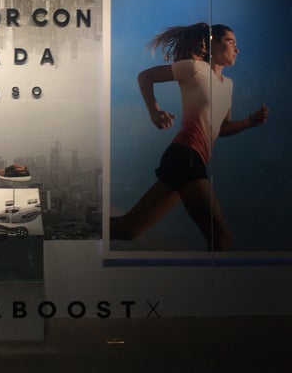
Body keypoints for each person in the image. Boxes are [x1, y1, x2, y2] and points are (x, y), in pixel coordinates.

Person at [110, 22, 269, 251]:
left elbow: (221, 129)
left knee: (129, 230)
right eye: (231, 42)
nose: (237, 48)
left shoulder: (228, 85)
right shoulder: (195, 68)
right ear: (213, 44)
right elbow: (145, 76)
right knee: (221, 238)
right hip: (186, 156)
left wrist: (250, 121)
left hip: (191, 159)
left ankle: (89, 225)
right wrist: (155, 111)